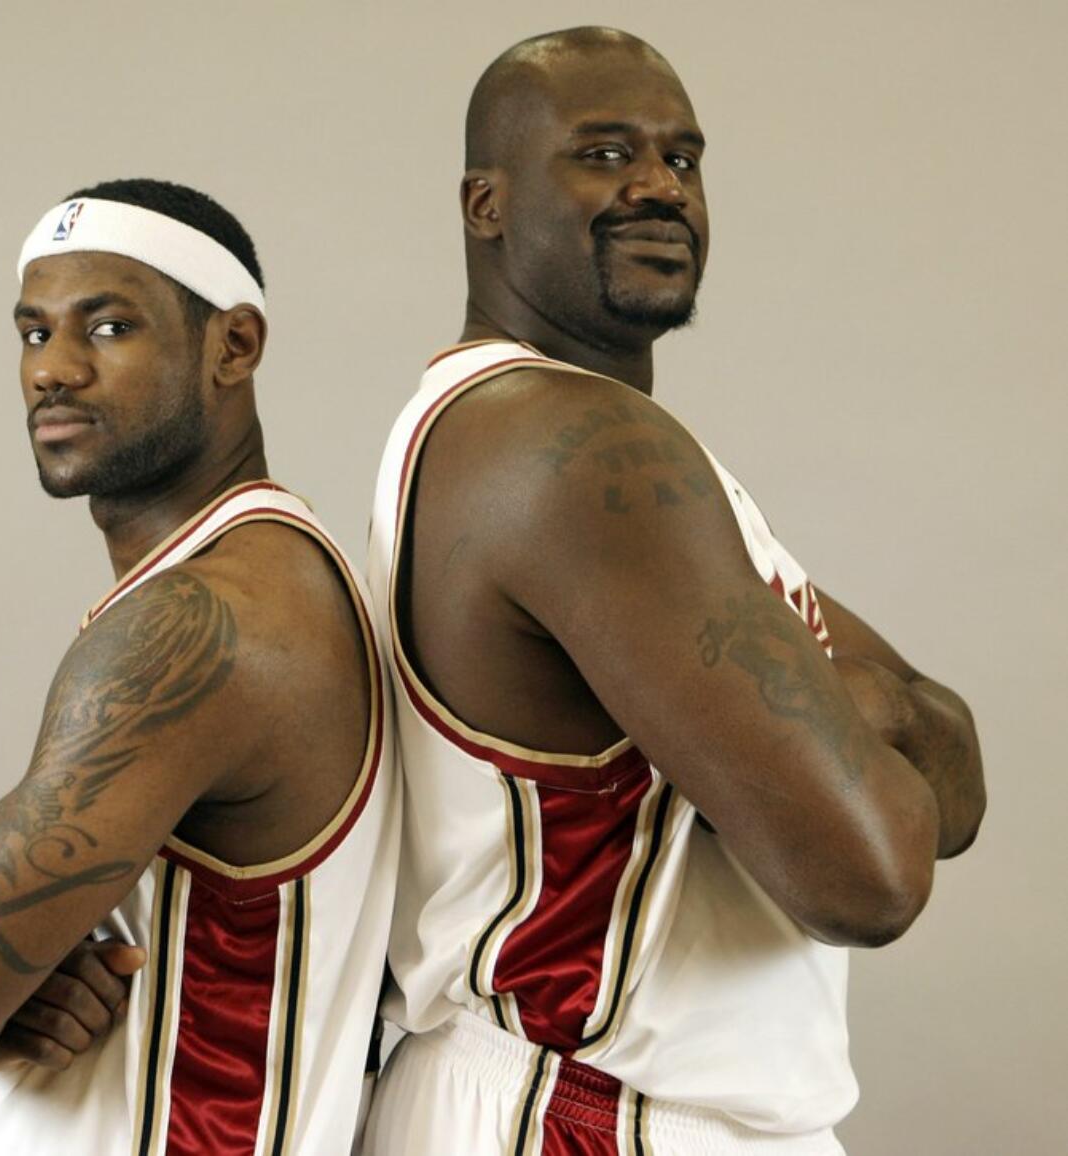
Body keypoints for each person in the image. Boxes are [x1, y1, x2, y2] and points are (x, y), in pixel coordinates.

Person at [362, 27, 985, 1156]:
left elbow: (957, 769)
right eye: (602, 153)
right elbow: (870, 873)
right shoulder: (572, 454)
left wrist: (854, 713)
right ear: (485, 203)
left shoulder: (592, 446)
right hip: (582, 1108)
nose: (657, 185)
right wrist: (854, 712)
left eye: (683, 159)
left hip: (608, 1103)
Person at [0, 178, 398, 1156]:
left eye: (106, 328)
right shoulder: (282, 572)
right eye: (33, 333)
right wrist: (1, 995)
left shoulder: (203, 621)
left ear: (233, 346)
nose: (52, 370)